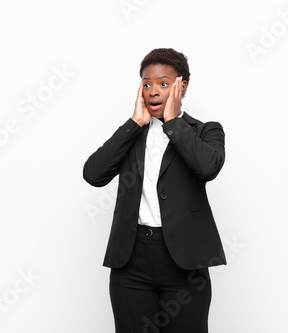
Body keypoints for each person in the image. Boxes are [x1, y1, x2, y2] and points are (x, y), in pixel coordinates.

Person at [83, 48, 227, 333]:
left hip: (183, 263)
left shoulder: (206, 131)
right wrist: (134, 123)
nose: (152, 91)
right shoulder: (131, 135)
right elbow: (93, 174)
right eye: (146, 84)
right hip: (131, 263)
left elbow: (208, 167)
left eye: (163, 83)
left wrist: (173, 123)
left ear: (181, 85)